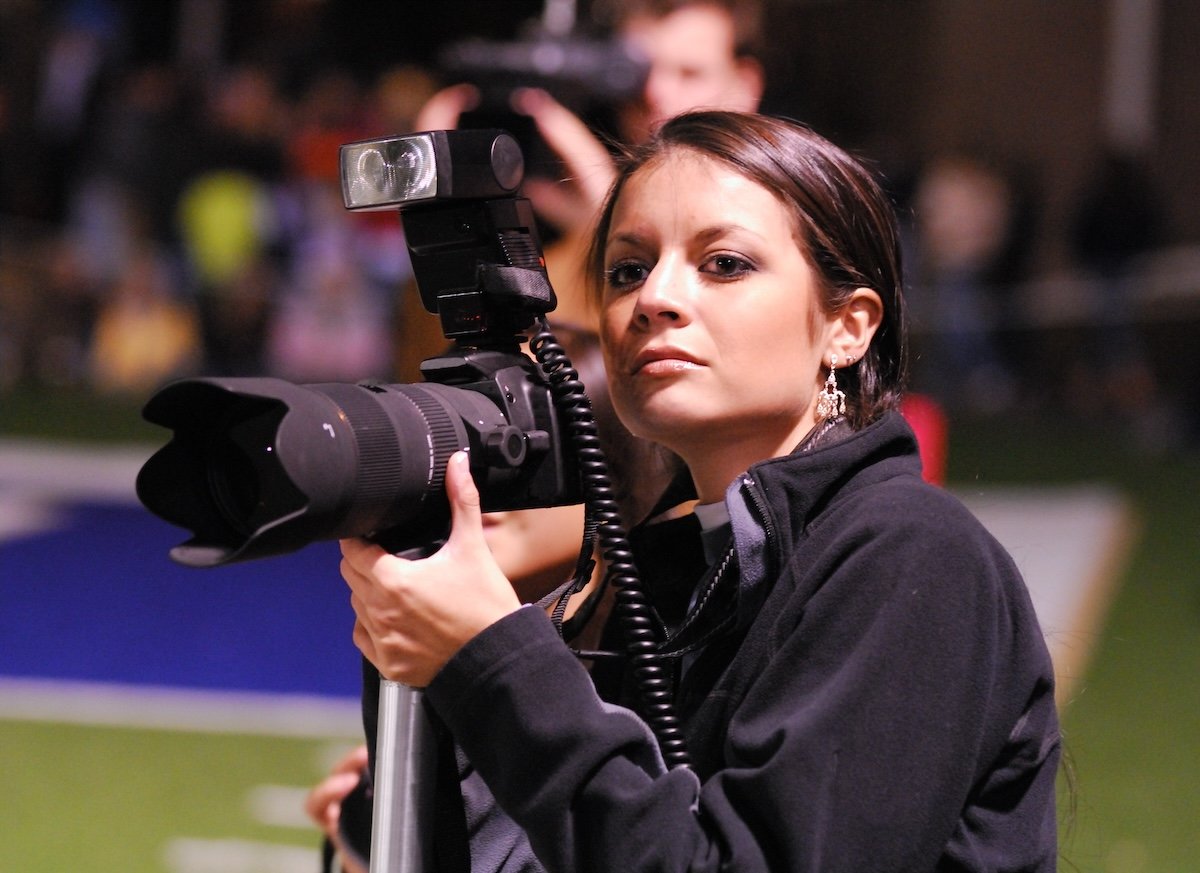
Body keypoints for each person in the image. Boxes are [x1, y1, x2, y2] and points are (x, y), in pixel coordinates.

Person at [339, 111, 1061, 871]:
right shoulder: (675, 568)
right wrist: (429, 669)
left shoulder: (911, 554)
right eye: (626, 270)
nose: (655, 297)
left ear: (848, 326)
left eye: (723, 263)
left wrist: (496, 658)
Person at [307, 322, 678, 873]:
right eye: (462, 428)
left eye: (519, 441)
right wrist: (378, 838)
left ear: (615, 476)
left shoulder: (669, 671)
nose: (476, 472)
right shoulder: (436, 661)